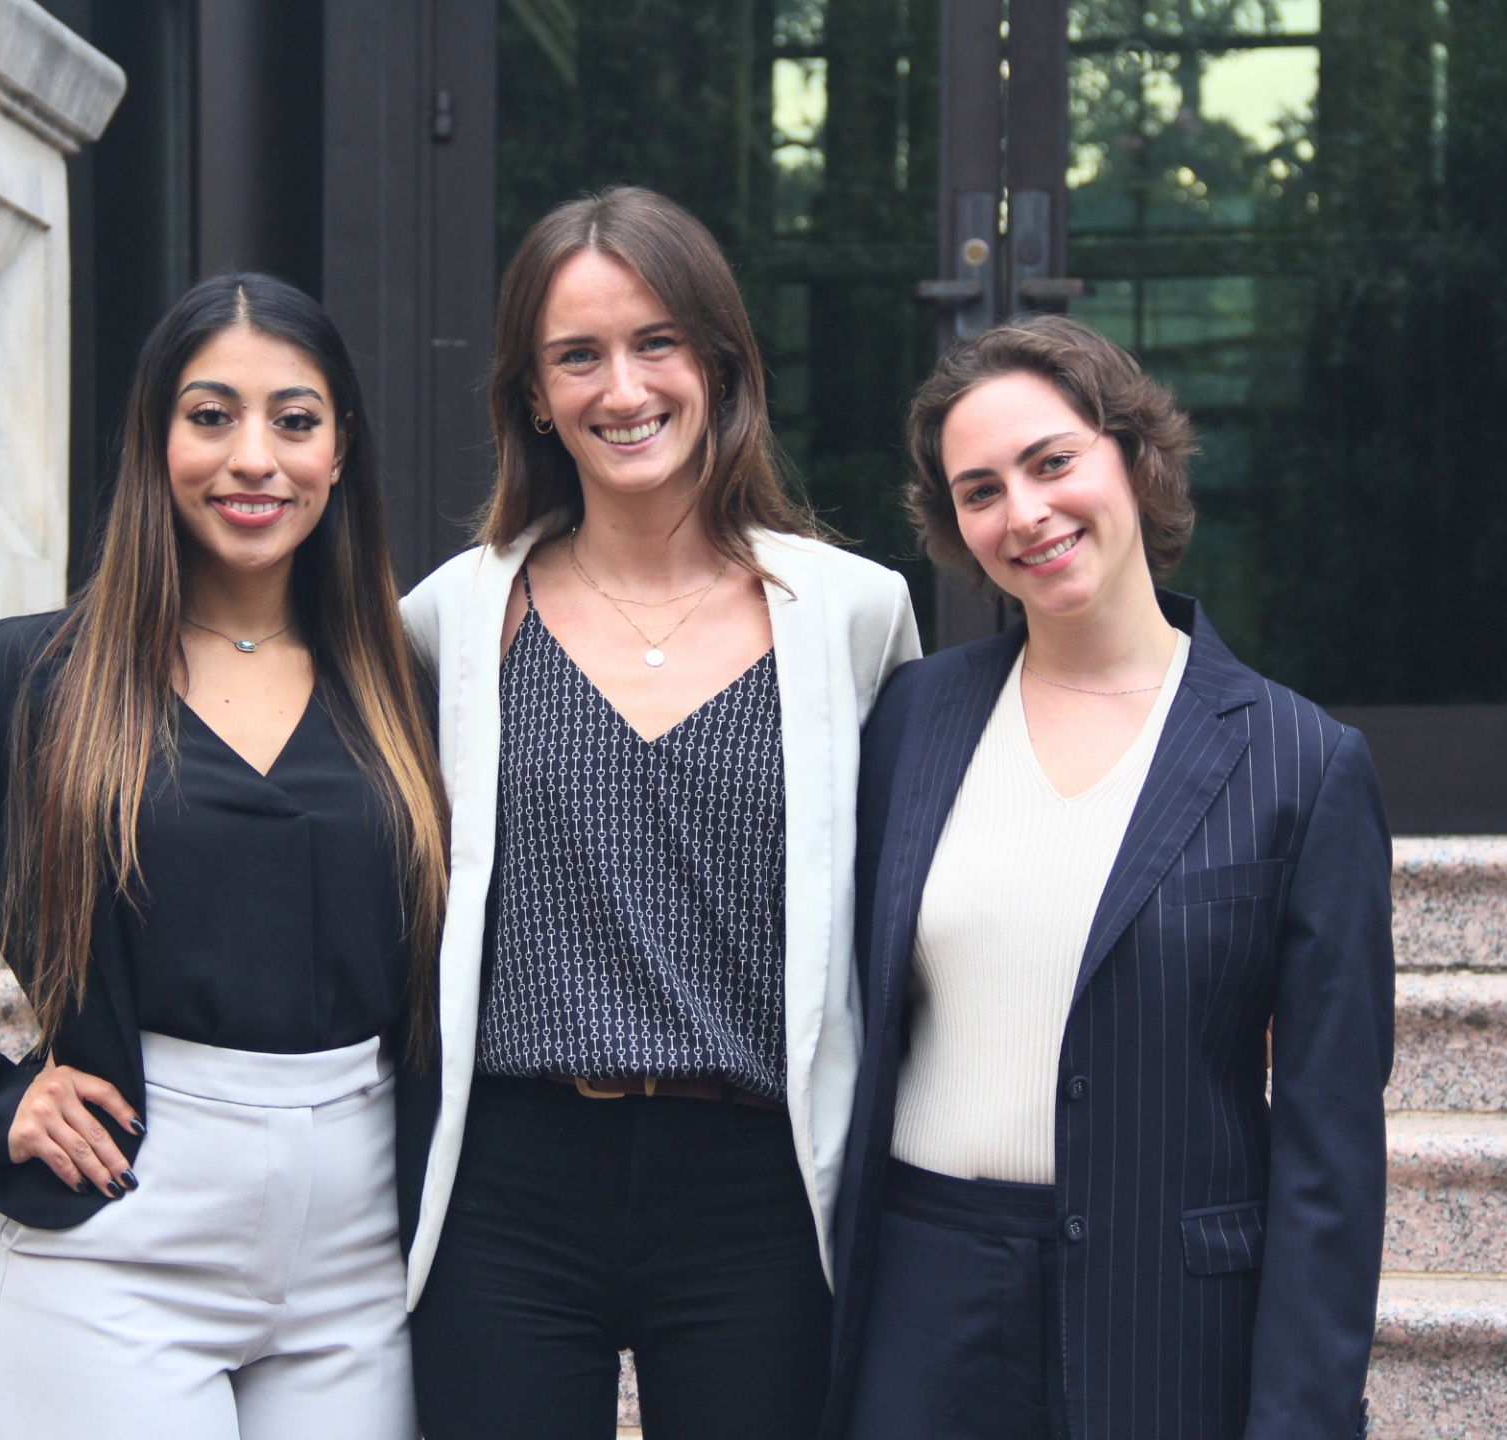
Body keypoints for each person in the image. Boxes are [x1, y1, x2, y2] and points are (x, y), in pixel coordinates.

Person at [0, 273, 447, 1440]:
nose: (253, 458)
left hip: (362, 1247)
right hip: (122, 1230)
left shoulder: (410, 686)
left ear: (340, 454)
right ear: (155, 438)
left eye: (294, 419)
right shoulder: (26, 680)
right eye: (210, 414)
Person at [399, 185, 921, 1440]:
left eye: (656, 344)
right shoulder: (451, 619)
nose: (621, 388)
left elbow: (914, 910)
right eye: (577, 355)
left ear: (720, 363)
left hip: (756, 1181)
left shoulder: (854, 613)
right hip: (510, 1177)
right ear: (533, 393)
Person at [825, 314, 1392, 1440]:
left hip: (1168, 1320)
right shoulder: (910, 719)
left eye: (1052, 462)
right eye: (979, 490)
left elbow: (1333, 1155)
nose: (1024, 513)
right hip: (922, 1303)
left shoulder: (1301, 764)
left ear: (1132, 456)